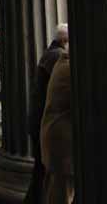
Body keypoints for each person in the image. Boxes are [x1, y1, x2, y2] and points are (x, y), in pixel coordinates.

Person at [24, 23, 69, 203]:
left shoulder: (50, 53)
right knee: (47, 176)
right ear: (65, 41)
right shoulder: (58, 57)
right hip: (48, 124)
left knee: (40, 172)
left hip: (42, 122)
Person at [41, 52, 73, 203]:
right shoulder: (69, 67)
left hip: (56, 143)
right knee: (61, 195)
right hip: (63, 147)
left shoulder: (62, 63)